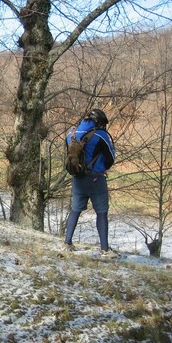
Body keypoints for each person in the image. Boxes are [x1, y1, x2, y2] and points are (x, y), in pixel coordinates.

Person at [63, 108, 118, 258]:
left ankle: (67, 243)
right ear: (99, 122)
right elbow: (111, 157)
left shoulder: (71, 134)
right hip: (96, 179)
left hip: (77, 178)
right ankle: (105, 249)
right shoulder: (101, 135)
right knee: (101, 213)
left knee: (75, 210)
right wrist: (101, 167)